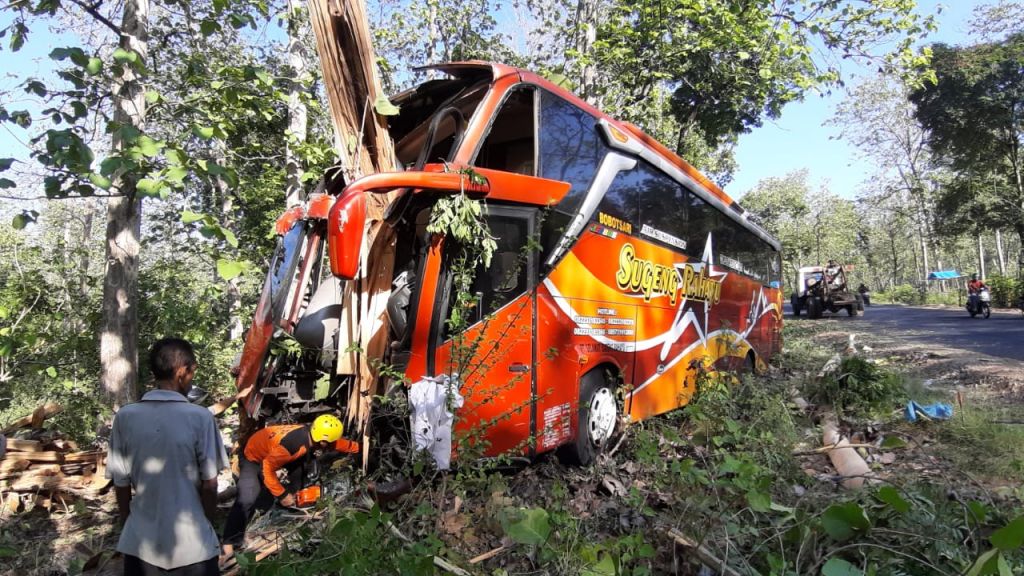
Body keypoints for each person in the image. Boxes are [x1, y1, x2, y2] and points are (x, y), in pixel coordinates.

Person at [106, 338, 229, 576]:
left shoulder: (126, 417)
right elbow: (210, 484)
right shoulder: (200, 418)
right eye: (192, 371)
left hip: (141, 545)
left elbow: (121, 485)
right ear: (182, 371)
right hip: (193, 547)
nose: (192, 377)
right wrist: (207, 523)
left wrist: (128, 524)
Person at [221, 414, 358, 556]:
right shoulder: (293, 444)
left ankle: (290, 506)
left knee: (301, 475)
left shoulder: (313, 435)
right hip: (253, 457)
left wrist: (360, 448)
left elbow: (338, 444)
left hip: (275, 454)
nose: (331, 446)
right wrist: (282, 494)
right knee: (248, 496)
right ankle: (228, 544)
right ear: (322, 441)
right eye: (328, 443)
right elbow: (266, 468)